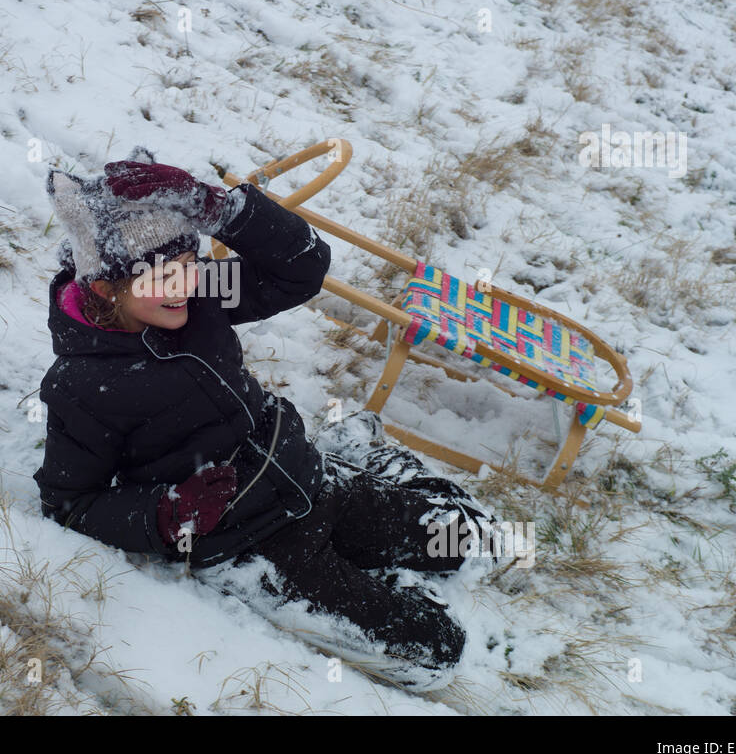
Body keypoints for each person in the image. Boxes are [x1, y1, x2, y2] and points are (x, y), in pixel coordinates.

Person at [33, 147, 499, 689]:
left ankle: (359, 457)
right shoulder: (81, 387)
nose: (185, 286)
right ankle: (356, 458)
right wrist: (166, 514)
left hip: (305, 474)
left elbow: (302, 269)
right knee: (435, 653)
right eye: (162, 276)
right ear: (105, 287)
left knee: (471, 536)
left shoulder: (200, 297)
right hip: (253, 545)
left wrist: (217, 208)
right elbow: (68, 502)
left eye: (189, 266)